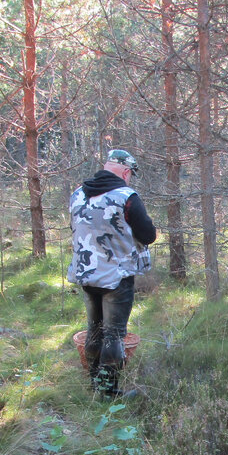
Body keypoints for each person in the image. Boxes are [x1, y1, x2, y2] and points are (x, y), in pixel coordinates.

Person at [67, 148, 157, 397]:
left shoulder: (77, 194)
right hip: (116, 277)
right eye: (131, 174)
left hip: (86, 274)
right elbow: (148, 235)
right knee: (114, 335)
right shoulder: (126, 196)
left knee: (94, 329)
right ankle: (107, 393)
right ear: (126, 171)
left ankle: (95, 383)